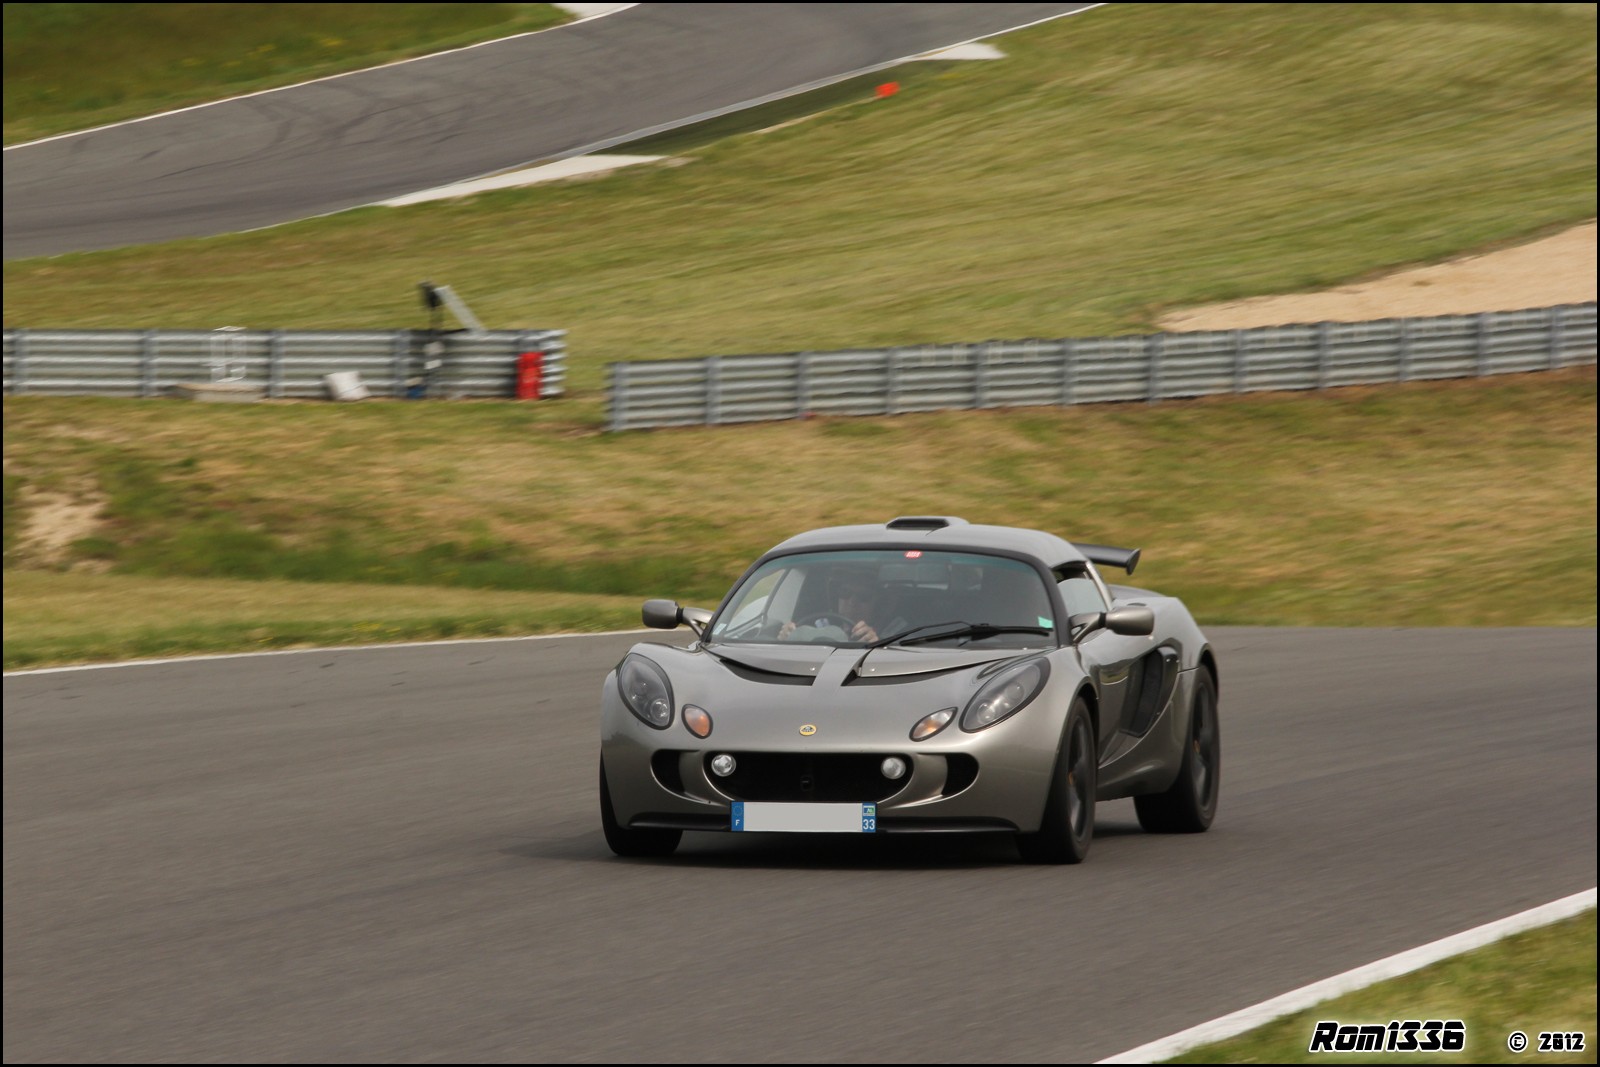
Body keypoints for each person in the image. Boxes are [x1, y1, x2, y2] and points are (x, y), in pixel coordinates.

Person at [778, 570, 897, 643]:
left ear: (877, 604)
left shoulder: (891, 634)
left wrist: (876, 643)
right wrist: (785, 639)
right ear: (836, 598)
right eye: (845, 593)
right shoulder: (818, 625)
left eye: (863, 596)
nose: (852, 602)